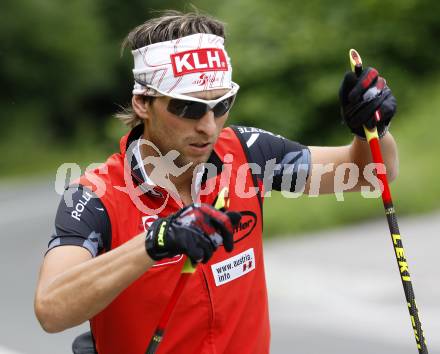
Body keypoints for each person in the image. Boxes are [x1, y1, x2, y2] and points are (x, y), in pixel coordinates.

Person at [34, 10, 398, 354]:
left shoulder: (248, 154)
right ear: (143, 102)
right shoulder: (96, 194)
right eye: (188, 108)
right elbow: (51, 309)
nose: (208, 126)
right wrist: (154, 241)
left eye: (221, 104)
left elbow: (369, 172)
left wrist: (371, 127)